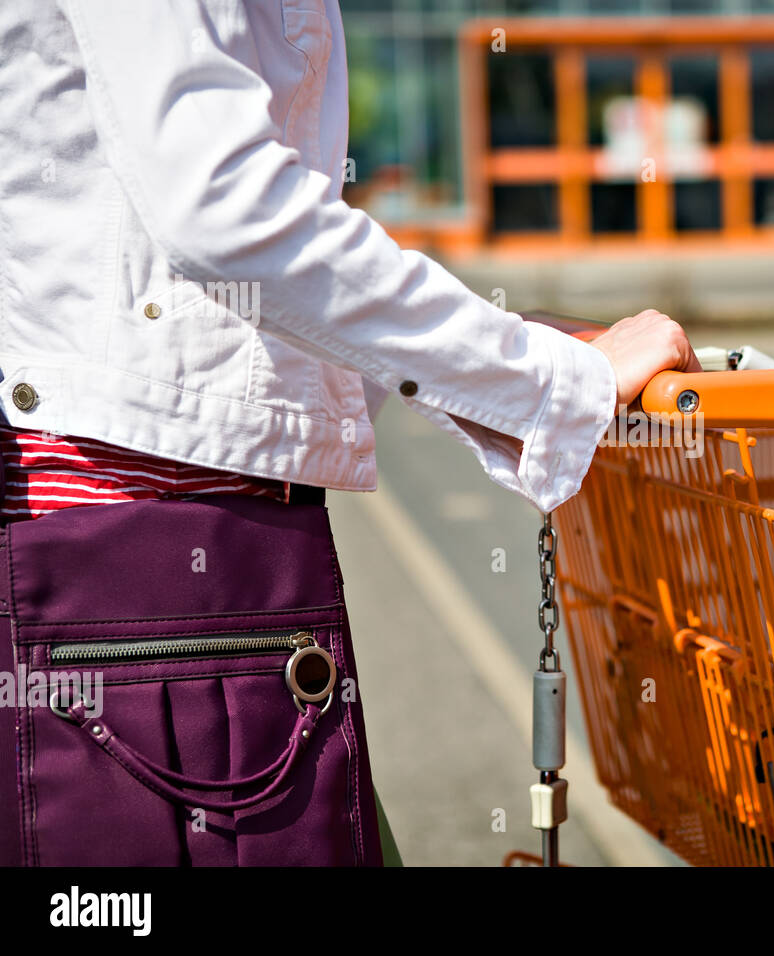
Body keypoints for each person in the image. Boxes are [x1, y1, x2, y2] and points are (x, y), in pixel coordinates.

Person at [0, 0, 698, 866]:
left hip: (185, 580)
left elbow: (223, 316)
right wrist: (536, 380)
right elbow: (222, 209)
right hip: (156, 582)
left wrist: (498, 358)